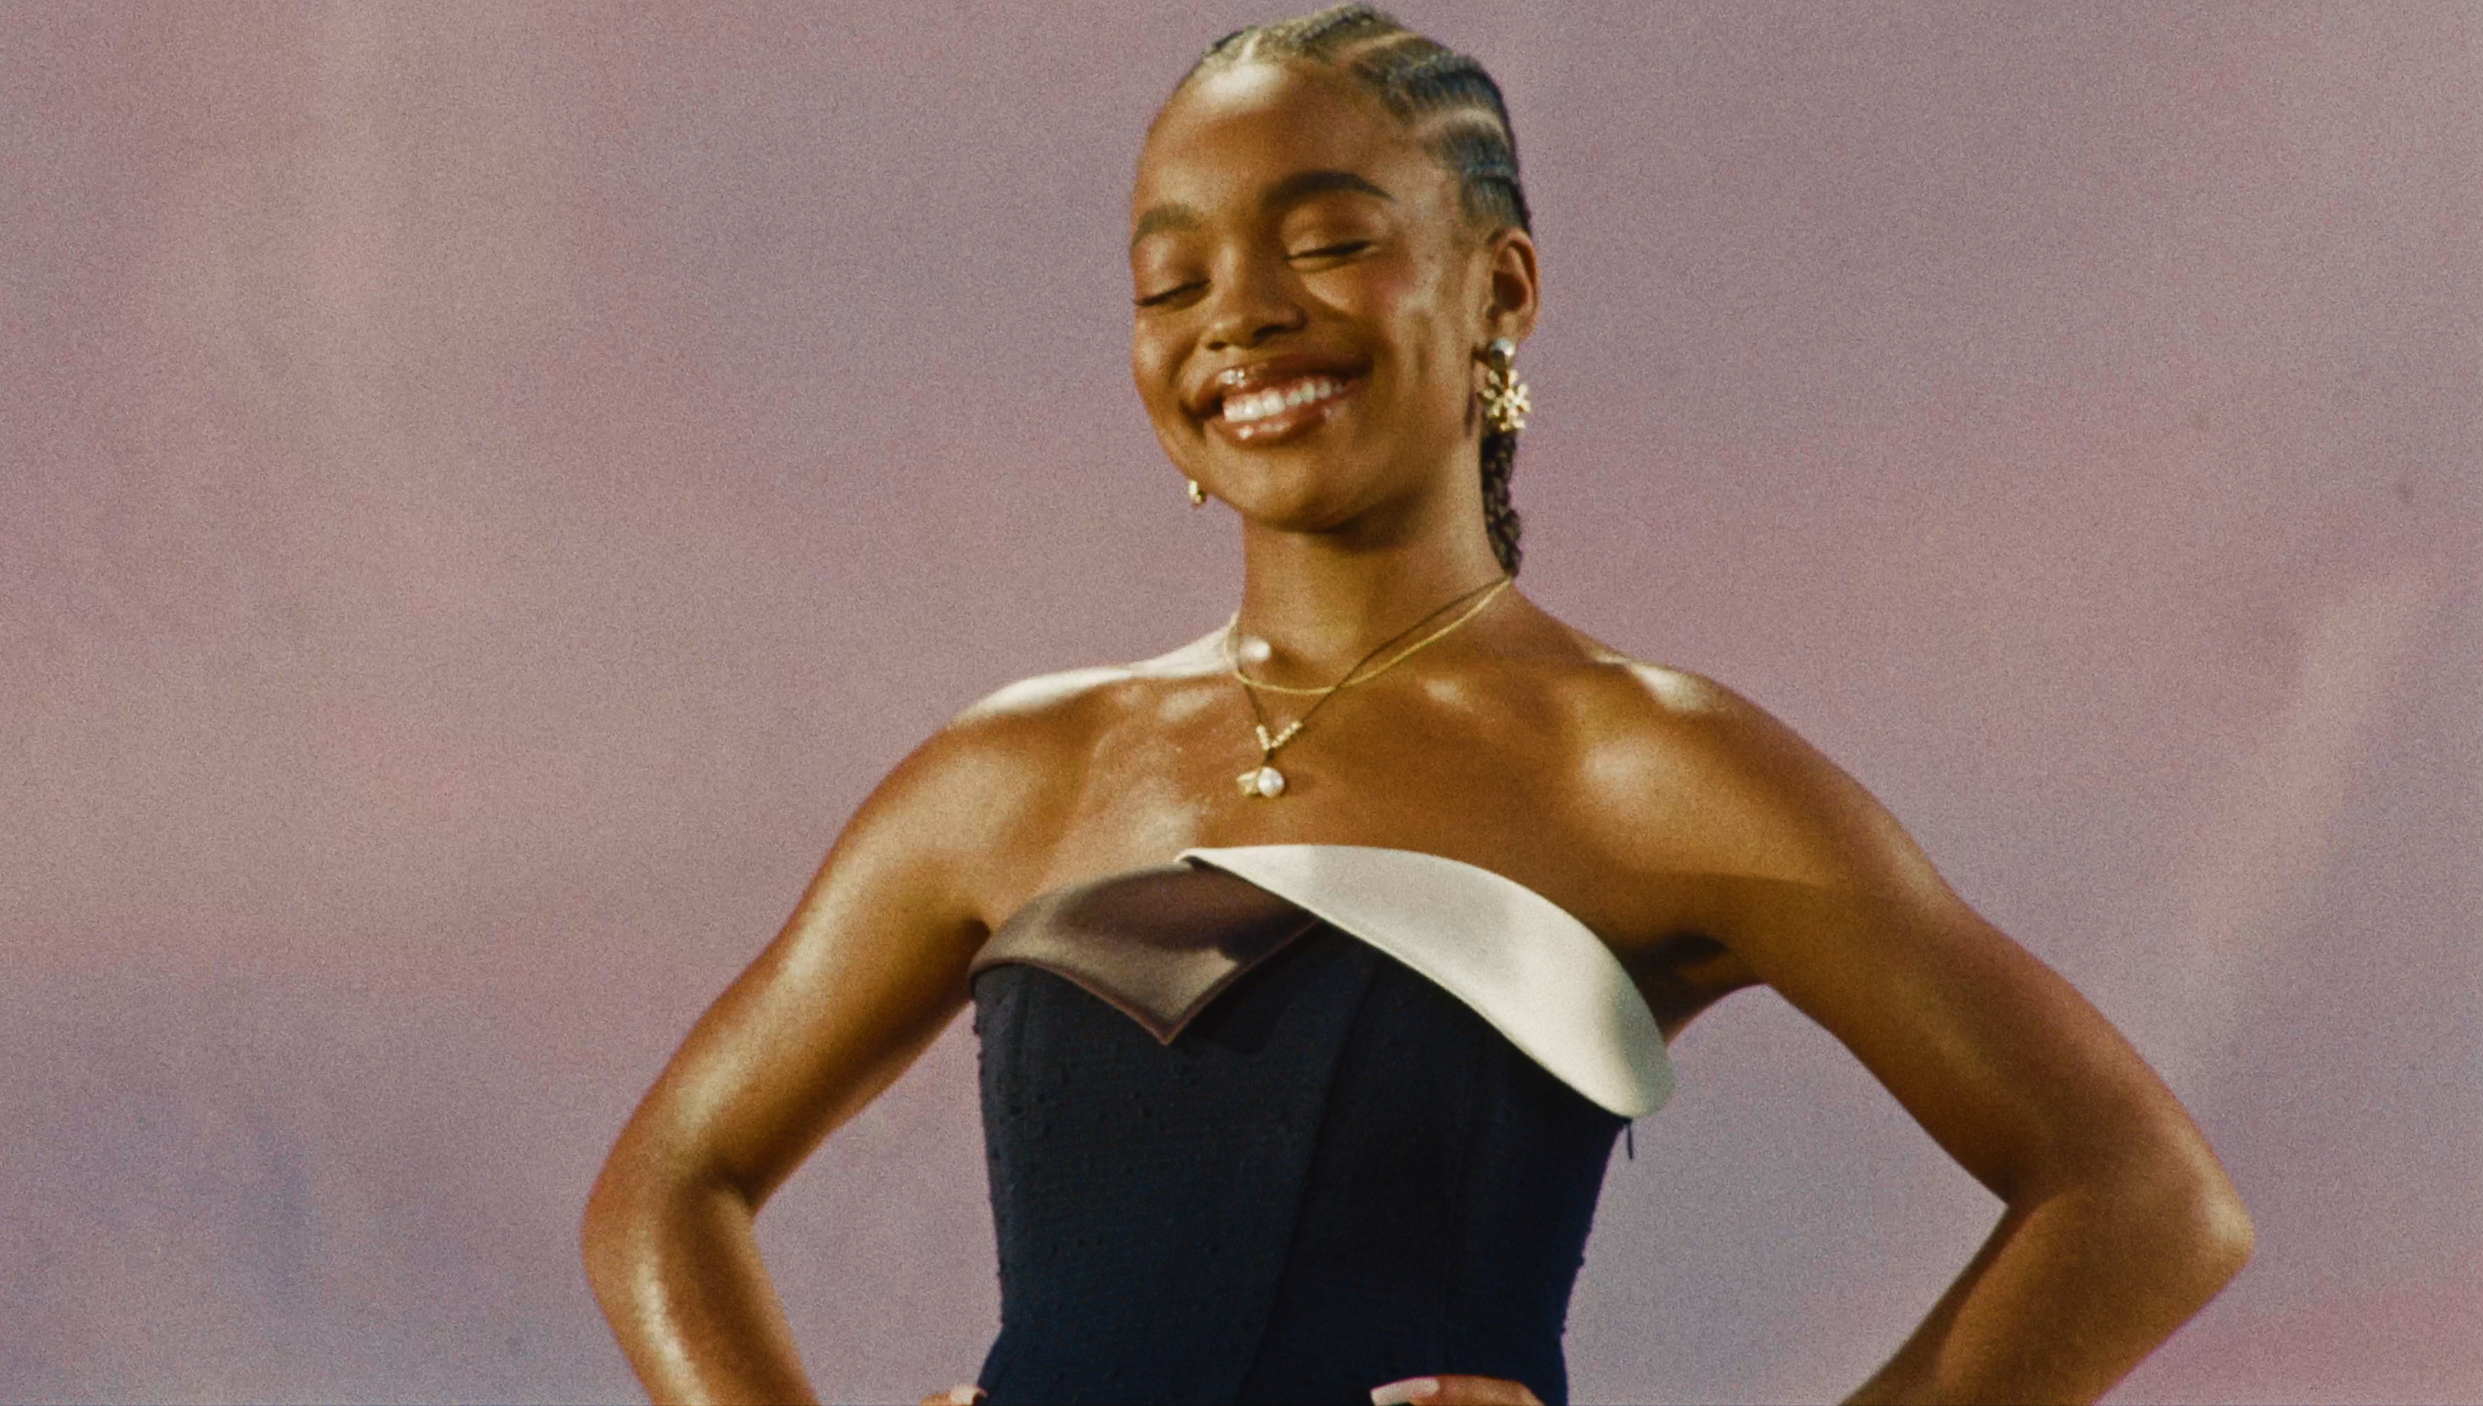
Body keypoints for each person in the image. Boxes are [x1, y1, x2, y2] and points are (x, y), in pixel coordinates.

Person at [581, 7, 2254, 1403]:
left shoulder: (1645, 765)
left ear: (1501, 293)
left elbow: (2144, 1198)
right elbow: (666, 1188)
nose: (1242, 313)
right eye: (1174, 281)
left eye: (1329, 243)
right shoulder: (1012, 771)